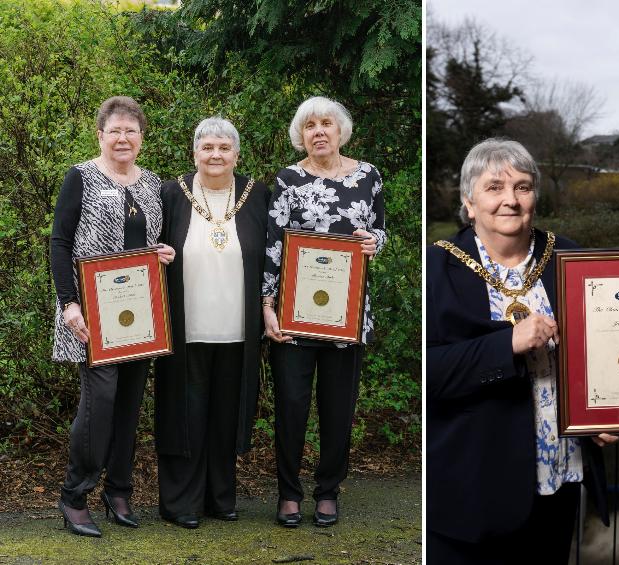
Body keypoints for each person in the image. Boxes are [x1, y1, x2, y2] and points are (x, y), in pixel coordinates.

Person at [427, 138, 616, 564]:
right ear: (469, 201)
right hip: (470, 489)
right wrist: (506, 345)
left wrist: (603, 411)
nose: (510, 200)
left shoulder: (569, 257)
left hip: (557, 481)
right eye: (494, 187)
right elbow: (428, 373)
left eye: (523, 187)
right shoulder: (436, 268)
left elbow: (601, 351)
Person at [50, 96, 175, 537]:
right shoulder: (80, 178)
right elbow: (60, 242)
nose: (123, 138)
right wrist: (69, 304)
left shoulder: (153, 184)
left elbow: (156, 242)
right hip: (91, 316)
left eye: (131, 131)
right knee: (99, 403)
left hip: (141, 318)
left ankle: (118, 490)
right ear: (100, 135)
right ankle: (75, 494)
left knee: (129, 404)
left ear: (141, 138)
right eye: (115, 131)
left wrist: (166, 252)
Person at [262, 96, 385, 528]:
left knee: (338, 409)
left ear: (340, 131)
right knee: (291, 407)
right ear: (301, 135)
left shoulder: (369, 176)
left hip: (346, 317)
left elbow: (379, 231)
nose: (318, 131)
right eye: (309, 125)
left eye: (326, 124)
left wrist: (374, 241)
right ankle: (289, 494)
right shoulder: (287, 179)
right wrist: (266, 305)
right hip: (293, 317)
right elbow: (273, 245)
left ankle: (328, 491)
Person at [154, 117, 270, 529]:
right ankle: (180, 502)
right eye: (208, 148)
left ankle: (221, 498)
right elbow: (147, 246)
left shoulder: (257, 196)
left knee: (225, 414)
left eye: (224, 148)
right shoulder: (171, 193)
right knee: (184, 413)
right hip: (184, 325)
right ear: (195, 152)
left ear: (237, 154)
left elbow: (275, 256)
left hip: (239, 327)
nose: (216, 155)